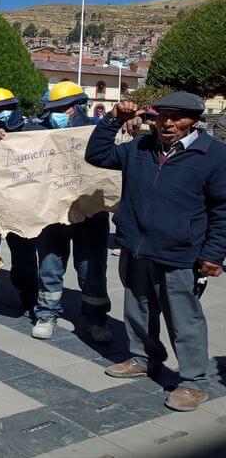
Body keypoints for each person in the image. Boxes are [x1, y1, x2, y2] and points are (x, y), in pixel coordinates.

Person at [86, 92, 226, 412]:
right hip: (136, 246)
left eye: (177, 117)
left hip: (180, 253)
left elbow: (222, 211)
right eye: (162, 116)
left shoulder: (215, 156)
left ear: (194, 121)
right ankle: (143, 358)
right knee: (138, 309)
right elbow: (97, 155)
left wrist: (214, 254)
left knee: (183, 319)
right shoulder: (140, 147)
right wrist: (114, 119)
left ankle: (193, 381)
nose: (168, 123)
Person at [30, 81, 111, 341]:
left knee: (92, 268)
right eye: (53, 108)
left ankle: (96, 319)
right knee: (50, 265)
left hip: (90, 215)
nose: (56, 114)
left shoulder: (99, 132)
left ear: (77, 108)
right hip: (52, 214)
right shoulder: (36, 131)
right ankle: (47, 312)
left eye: (62, 108)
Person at [0, 88, 42, 310]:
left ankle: (29, 295)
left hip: (22, 206)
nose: (2, 114)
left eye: (7, 108)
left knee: (24, 255)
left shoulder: (33, 131)